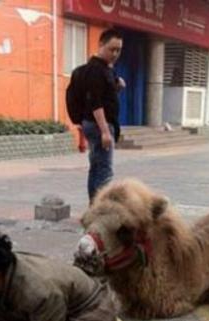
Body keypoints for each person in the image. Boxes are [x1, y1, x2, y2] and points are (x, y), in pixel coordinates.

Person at [82, 29, 123, 203]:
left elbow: (105, 99)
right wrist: (105, 131)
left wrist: (117, 86)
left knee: (96, 167)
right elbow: (95, 103)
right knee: (105, 171)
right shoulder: (96, 70)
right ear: (101, 45)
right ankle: (101, 211)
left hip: (96, 124)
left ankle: (94, 208)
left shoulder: (106, 69)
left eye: (118, 50)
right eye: (111, 49)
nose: (115, 54)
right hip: (99, 125)